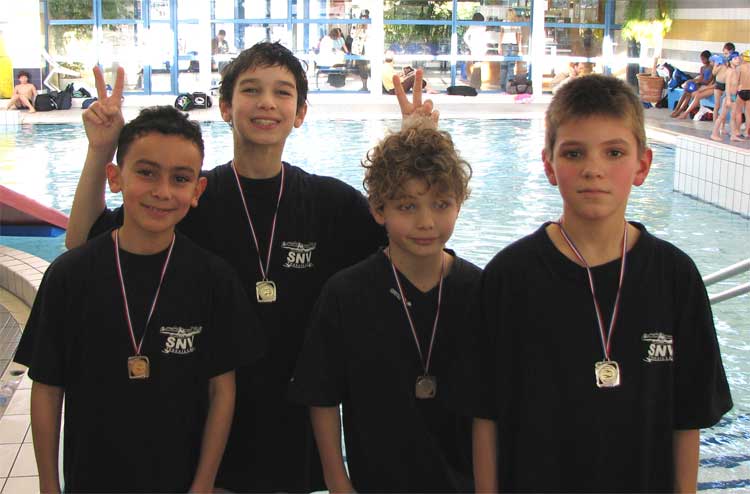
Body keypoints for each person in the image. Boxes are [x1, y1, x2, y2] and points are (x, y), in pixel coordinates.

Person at [64, 42, 436, 493]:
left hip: (294, 425)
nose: (267, 103)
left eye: (282, 92)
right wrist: (100, 150)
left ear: (300, 113)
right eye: (251, 90)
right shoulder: (189, 196)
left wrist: (416, 147)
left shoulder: (330, 204)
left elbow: (414, 244)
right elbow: (84, 244)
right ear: (225, 107)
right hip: (202, 426)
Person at [469, 74, 733, 492]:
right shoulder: (510, 276)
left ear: (642, 165)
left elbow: (688, 418)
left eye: (614, 152)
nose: (593, 170)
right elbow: (486, 415)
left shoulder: (675, 277)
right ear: (549, 165)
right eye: (574, 153)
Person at [13, 101, 265, 493]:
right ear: (115, 178)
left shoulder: (213, 279)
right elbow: (47, 387)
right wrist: (49, 484)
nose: (162, 192)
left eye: (180, 178)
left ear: (197, 190)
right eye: (146, 173)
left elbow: (222, 391)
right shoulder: (69, 277)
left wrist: (203, 484)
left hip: (181, 480)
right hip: (91, 480)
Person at [289, 118, 478, 493]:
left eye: (441, 204)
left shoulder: (479, 291)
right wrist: (338, 481)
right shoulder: (346, 294)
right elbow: (322, 397)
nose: (426, 222)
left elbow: (495, 407)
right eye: (407, 206)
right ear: (378, 210)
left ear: (459, 204)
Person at [672, 50, 715, 119]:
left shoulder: (711, 68)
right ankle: (677, 109)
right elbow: (701, 78)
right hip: (700, 84)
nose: (702, 61)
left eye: (703, 59)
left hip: (705, 85)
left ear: (708, 59)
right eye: (701, 59)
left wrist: (698, 82)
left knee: (689, 93)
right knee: (686, 91)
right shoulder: (702, 68)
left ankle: (680, 110)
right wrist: (692, 81)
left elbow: (708, 81)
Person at [711, 52, 741, 142]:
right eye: (735, 59)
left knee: (733, 116)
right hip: (728, 96)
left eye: (738, 58)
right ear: (730, 61)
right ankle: (714, 134)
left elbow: (734, 84)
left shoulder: (736, 70)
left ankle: (733, 135)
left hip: (734, 96)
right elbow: (727, 86)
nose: (738, 60)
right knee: (722, 116)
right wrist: (728, 98)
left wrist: (738, 88)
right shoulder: (729, 71)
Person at [463, 12, 488, 90]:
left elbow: (465, 37)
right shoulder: (483, 26)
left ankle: (476, 85)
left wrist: (470, 45)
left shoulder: (472, 26)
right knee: (477, 66)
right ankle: (475, 85)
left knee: (477, 66)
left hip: (474, 48)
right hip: (481, 48)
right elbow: (485, 38)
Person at [500, 8, 521, 92]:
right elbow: (518, 37)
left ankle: (502, 86)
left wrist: (499, 46)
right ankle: (509, 87)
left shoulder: (504, 22)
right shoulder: (517, 23)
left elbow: (501, 34)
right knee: (511, 67)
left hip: (505, 45)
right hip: (514, 45)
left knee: (503, 67)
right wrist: (519, 47)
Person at [350, 10, 370, 91]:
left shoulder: (370, 24)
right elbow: (352, 35)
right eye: (363, 16)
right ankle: (364, 86)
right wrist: (360, 28)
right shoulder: (355, 24)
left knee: (369, 67)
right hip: (358, 49)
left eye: (366, 16)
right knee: (362, 67)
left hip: (368, 48)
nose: (364, 18)